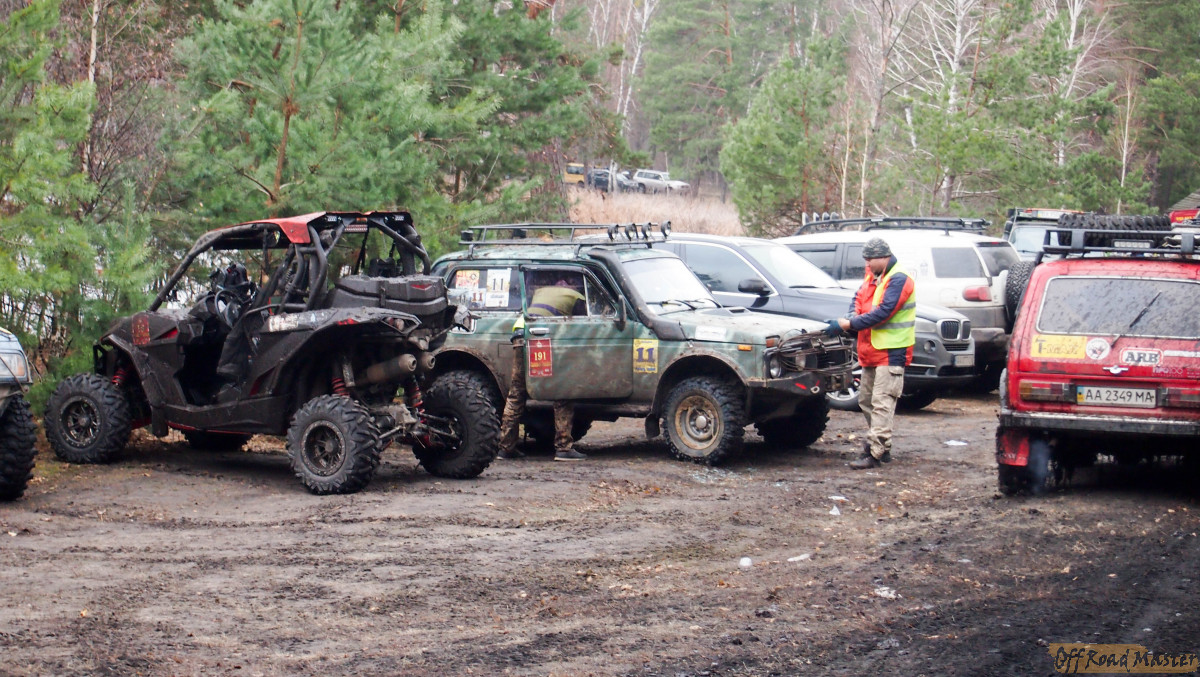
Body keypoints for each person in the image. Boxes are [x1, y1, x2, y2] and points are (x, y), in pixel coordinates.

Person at [824, 237, 915, 469]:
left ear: (883, 257)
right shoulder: (873, 276)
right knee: (866, 401)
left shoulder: (899, 279)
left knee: (882, 402)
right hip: (870, 351)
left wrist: (848, 324)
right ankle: (882, 446)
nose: (866, 264)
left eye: (869, 260)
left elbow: (884, 312)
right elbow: (858, 299)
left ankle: (875, 452)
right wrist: (851, 316)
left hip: (890, 352)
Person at [496, 272, 587, 461]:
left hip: (520, 335)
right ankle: (563, 447)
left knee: (517, 393)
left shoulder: (542, 291)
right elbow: (583, 327)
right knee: (562, 391)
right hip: (542, 338)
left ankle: (505, 447)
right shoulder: (577, 296)